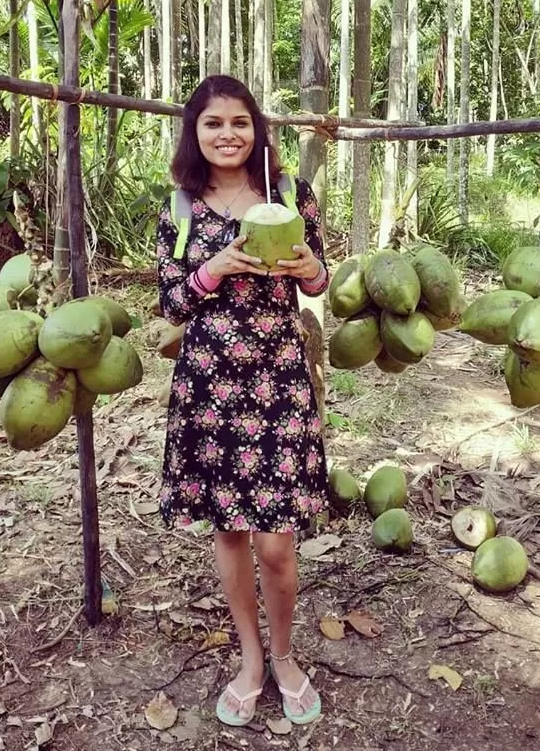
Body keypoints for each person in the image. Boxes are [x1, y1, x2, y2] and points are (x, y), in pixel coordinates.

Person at [156, 75, 329, 727]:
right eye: (213, 123)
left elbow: (319, 283)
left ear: (257, 130)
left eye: (239, 122)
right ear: (195, 133)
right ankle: (251, 659)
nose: (227, 133)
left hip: (278, 383)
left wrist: (304, 266)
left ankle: (284, 655)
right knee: (229, 531)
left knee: (277, 543)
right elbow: (171, 301)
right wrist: (217, 268)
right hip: (209, 389)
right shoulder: (178, 208)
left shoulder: (289, 196)